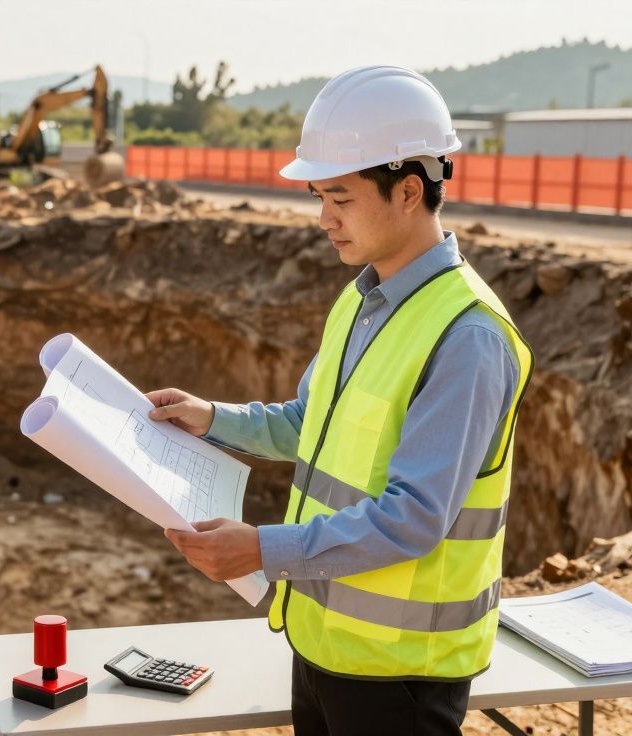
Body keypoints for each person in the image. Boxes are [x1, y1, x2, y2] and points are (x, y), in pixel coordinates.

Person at [145, 65, 534, 735]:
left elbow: (413, 518)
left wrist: (262, 548)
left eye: (340, 198)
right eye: (320, 198)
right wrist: (212, 418)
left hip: (403, 676)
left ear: (408, 190)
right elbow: (310, 425)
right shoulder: (363, 300)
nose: (323, 219)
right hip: (325, 644)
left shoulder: (468, 337)